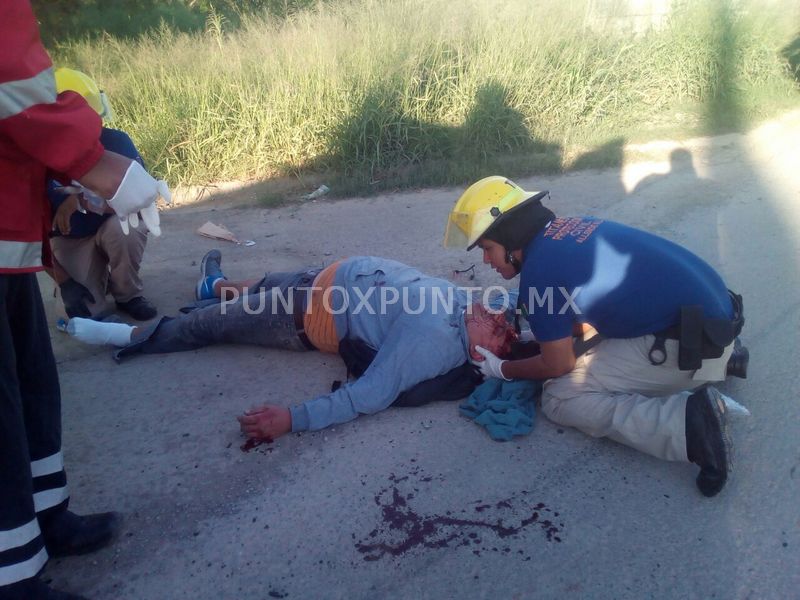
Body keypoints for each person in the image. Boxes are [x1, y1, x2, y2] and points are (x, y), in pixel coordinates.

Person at [0, 2, 170, 598]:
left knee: (31, 385)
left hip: (7, 249)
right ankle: (13, 573)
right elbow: (15, 83)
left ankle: (46, 517)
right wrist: (98, 165)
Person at [444, 175, 747, 497]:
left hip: (693, 343)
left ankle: (692, 428)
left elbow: (557, 364)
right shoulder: (571, 229)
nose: (485, 260)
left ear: (509, 234)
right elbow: (594, 313)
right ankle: (725, 360)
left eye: (487, 248)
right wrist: (541, 333)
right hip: (715, 317)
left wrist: (501, 369)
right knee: (587, 350)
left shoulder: (539, 273)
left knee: (562, 396)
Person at [67, 251, 519, 442]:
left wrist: (292, 418)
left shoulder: (433, 343)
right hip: (323, 278)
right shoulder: (476, 307)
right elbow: (521, 297)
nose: (498, 319)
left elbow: (369, 394)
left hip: (299, 314)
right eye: (505, 322)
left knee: (205, 326)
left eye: (499, 333)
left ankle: (122, 335)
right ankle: (214, 281)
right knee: (252, 285)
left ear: (480, 357)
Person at [49, 68, 157, 321]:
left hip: (110, 227)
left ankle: (127, 295)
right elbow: (33, 241)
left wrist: (82, 200)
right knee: (78, 316)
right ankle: (98, 280)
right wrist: (64, 282)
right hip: (69, 240)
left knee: (127, 229)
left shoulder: (116, 141)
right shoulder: (35, 160)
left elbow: (142, 202)